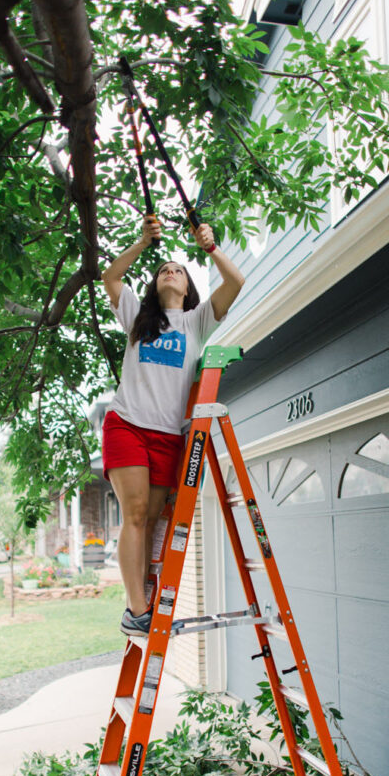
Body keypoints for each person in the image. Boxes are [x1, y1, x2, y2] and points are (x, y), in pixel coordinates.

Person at [101, 217, 245, 635]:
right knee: (136, 512)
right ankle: (136, 611)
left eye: (179, 270)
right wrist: (143, 242)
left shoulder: (196, 322)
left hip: (167, 437)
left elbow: (235, 282)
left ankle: (141, 601)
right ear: (155, 284)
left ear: (188, 287)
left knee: (152, 522)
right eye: (164, 268)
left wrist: (211, 248)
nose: (171, 271)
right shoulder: (137, 316)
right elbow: (111, 276)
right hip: (127, 424)